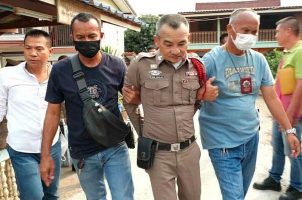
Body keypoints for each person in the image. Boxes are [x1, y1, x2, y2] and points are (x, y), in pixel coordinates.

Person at [198, 9, 301, 200]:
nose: (251, 36)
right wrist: (201, 93)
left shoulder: (258, 60)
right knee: (234, 197)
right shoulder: (211, 60)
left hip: (250, 137)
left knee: (240, 194)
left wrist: (289, 130)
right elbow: (187, 90)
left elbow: (271, 98)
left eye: (255, 32)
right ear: (230, 29)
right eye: (246, 30)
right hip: (222, 142)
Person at [39, 13, 134, 200]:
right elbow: (52, 113)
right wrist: (46, 155)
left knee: (124, 197)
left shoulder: (117, 65)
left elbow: (133, 100)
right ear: (73, 37)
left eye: (92, 36)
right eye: (80, 37)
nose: (86, 41)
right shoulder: (61, 70)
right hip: (82, 152)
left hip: (114, 145)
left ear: (101, 36)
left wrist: (135, 97)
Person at [123, 14, 217, 200]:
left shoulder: (197, 66)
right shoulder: (140, 65)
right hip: (158, 155)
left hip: (189, 151)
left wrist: (203, 96)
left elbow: (195, 102)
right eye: (168, 44)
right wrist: (144, 132)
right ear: (156, 41)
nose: (176, 50)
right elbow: (129, 101)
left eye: (182, 43)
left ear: (188, 39)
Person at [0, 29, 61, 199]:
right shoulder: (7, 75)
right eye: (28, 48)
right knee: (32, 196)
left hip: (52, 146)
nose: (33, 53)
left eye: (39, 49)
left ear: (50, 51)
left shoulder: (59, 76)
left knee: (51, 194)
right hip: (22, 149)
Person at [253, 16, 302, 200]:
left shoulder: (300, 51)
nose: (275, 35)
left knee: (293, 150)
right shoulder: (287, 52)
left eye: (278, 32)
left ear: (288, 31)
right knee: (278, 147)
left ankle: (297, 186)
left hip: (293, 115)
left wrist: (288, 118)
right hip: (280, 113)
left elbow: (300, 87)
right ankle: (274, 178)